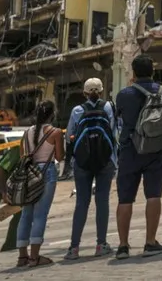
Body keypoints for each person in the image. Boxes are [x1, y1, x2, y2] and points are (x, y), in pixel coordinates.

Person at [114, 55, 162, 260]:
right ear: (153, 71)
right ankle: (150, 242)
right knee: (154, 195)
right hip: (156, 150)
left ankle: (122, 246)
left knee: (125, 198)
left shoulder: (124, 94)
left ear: (134, 73)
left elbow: (119, 117)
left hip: (130, 150)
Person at [64, 77, 117, 260]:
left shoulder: (77, 110)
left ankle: (74, 248)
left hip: (82, 163)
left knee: (81, 203)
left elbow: (69, 136)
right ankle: (101, 244)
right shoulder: (109, 107)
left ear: (84, 93)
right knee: (102, 201)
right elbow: (114, 131)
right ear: (101, 91)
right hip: (105, 161)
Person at [16, 99, 63, 268]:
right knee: (40, 215)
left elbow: (23, 155)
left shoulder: (27, 132)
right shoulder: (55, 132)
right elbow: (59, 157)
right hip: (46, 172)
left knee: (26, 215)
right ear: (53, 114)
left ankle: (22, 257)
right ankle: (35, 257)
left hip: (29, 173)